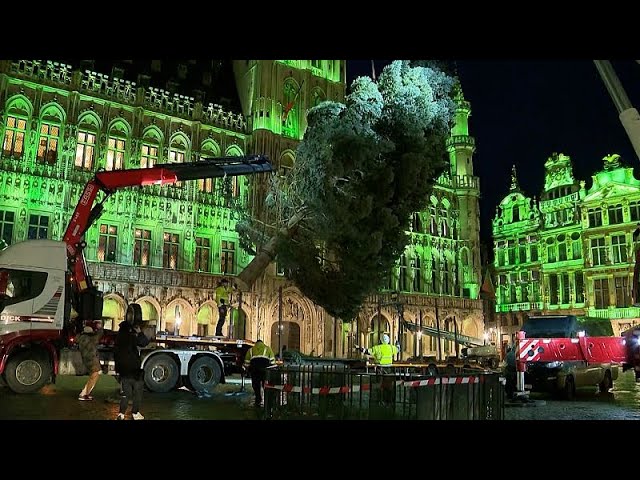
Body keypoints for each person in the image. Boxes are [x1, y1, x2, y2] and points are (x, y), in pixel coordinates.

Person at [113, 316, 150, 420]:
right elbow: (144, 343)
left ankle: (121, 414)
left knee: (126, 394)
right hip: (134, 371)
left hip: (124, 372)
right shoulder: (132, 337)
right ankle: (135, 412)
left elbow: (116, 356)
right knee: (137, 393)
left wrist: (119, 371)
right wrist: (139, 332)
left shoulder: (118, 340)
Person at [244, 339, 276, 407]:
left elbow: (246, 362)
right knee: (266, 385)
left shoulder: (251, 350)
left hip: (255, 370)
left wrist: (246, 369)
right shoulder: (268, 349)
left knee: (256, 385)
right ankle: (266, 400)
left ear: (256, 343)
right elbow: (273, 362)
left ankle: (258, 399)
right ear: (262, 343)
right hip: (264, 370)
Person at [77, 320, 104, 401]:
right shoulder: (90, 339)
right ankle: (84, 394)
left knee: (94, 374)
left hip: (87, 359)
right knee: (95, 375)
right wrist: (100, 328)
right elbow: (99, 335)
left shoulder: (81, 338)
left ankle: (85, 393)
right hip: (92, 359)